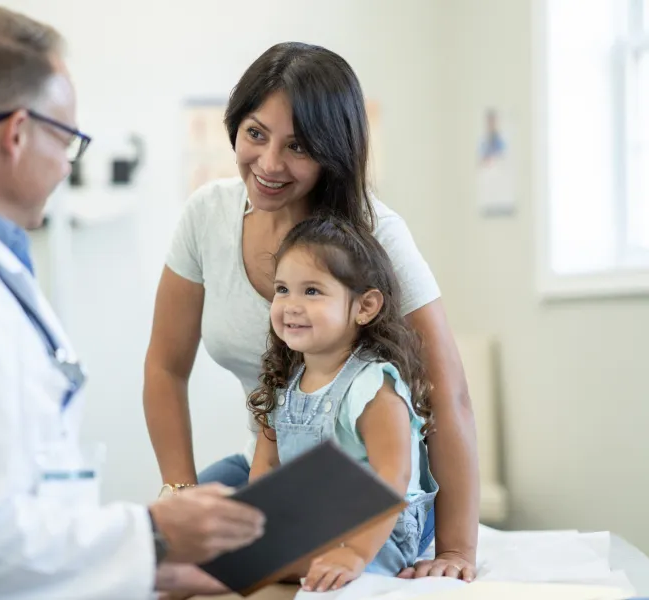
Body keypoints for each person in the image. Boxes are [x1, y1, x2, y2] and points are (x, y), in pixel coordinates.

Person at [0, 7, 264, 600]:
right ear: (17, 134)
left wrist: (149, 572)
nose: (67, 166)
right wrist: (152, 532)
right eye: (67, 140)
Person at [143, 41, 480, 579]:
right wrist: (181, 494)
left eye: (297, 146)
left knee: (224, 572)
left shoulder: (376, 236)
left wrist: (457, 551)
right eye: (256, 133)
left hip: (369, 491)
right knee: (151, 556)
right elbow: (165, 367)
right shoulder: (207, 215)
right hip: (275, 468)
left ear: (332, 151)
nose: (269, 163)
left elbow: (448, 393)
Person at [248, 215, 439, 591]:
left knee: (261, 564)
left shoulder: (372, 386)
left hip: (375, 529)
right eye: (283, 289)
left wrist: (354, 552)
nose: (291, 305)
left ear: (364, 307)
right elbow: (265, 468)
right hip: (314, 522)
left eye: (312, 291)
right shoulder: (285, 383)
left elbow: (393, 477)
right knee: (217, 551)